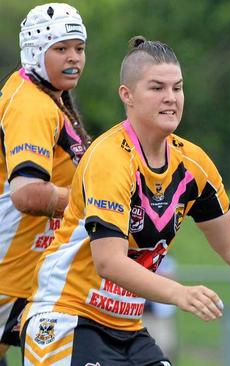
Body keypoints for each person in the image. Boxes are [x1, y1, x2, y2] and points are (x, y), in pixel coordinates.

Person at [21, 36, 230, 365]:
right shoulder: (110, 158)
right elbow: (109, 262)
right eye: (157, 88)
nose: (171, 99)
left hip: (127, 328)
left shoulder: (192, 164)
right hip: (68, 319)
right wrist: (180, 293)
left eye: (177, 88)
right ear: (127, 95)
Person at [0, 3, 90, 359]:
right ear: (35, 52)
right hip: (9, 277)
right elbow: (28, 194)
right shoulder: (32, 106)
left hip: (30, 277)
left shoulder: (50, 98)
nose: (74, 58)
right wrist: (98, 202)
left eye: (79, 48)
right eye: (61, 49)